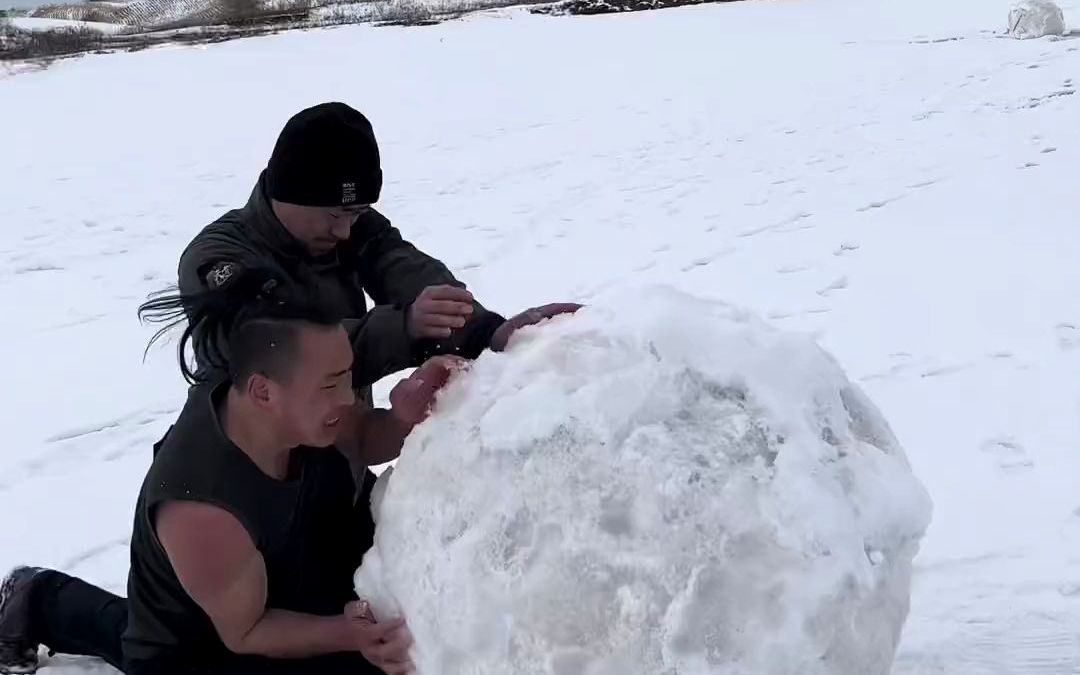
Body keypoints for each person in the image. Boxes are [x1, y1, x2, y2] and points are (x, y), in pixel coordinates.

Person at [1, 268, 460, 675]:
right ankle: (40, 600)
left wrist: (403, 417)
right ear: (264, 393)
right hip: (208, 646)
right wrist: (350, 633)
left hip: (286, 570)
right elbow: (249, 631)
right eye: (331, 384)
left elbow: (362, 438)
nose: (348, 396)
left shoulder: (301, 402)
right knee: (155, 636)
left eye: (347, 375)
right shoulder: (198, 507)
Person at [177, 100, 578, 394]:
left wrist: (486, 332)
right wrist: (404, 328)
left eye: (357, 213)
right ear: (290, 193)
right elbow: (277, 351)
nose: (345, 231)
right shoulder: (218, 258)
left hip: (342, 455)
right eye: (335, 214)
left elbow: (402, 267)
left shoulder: (347, 226)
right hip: (244, 480)